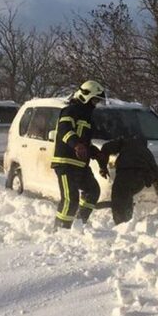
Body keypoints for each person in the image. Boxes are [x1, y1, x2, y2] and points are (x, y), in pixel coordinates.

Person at [51, 80, 106, 229]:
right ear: (85, 96)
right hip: (66, 163)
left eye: (97, 101)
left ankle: (79, 223)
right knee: (70, 199)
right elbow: (64, 130)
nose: (95, 104)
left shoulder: (88, 118)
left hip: (81, 165)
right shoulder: (70, 111)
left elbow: (86, 143)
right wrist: (76, 144)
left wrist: (96, 154)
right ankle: (61, 229)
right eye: (94, 100)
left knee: (93, 191)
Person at [97, 136, 158, 224]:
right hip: (139, 179)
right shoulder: (147, 153)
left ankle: (121, 223)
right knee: (126, 196)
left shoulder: (124, 143)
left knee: (118, 198)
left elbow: (106, 148)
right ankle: (127, 222)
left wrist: (103, 167)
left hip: (123, 175)